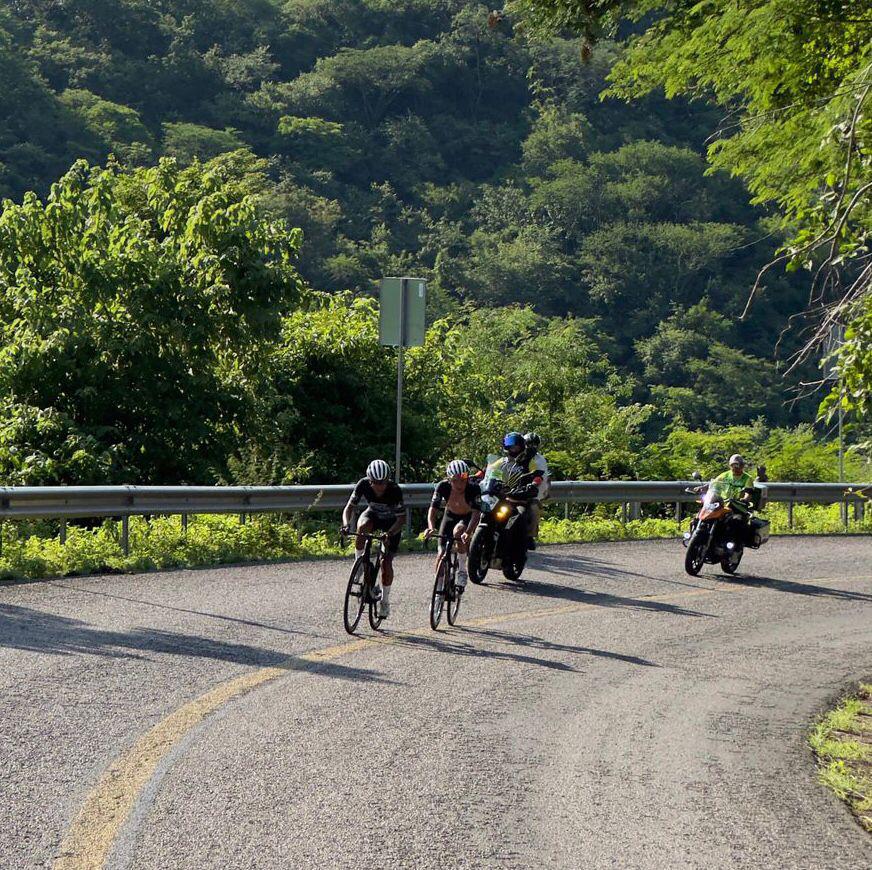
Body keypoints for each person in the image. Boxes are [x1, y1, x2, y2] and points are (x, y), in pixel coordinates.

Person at [341, 459, 405, 618]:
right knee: (362, 527)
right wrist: (345, 524)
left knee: (386, 563)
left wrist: (389, 534)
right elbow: (349, 508)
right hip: (373, 516)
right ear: (370, 481)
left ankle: (385, 601)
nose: (380, 486)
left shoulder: (394, 490)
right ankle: (360, 563)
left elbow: (401, 519)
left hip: (392, 524)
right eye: (376, 483)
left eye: (383, 483)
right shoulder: (362, 484)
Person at [425, 459, 482, 590]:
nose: (460, 484)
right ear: (449, 480)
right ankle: (438, 589)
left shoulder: (473, 488)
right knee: (441, 554)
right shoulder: (442, 486)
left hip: (466, 518)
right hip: (449, 516)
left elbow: (476, 514)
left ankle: (462, 570)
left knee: (458, 532)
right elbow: (432, 509)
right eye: (455, 481)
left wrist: (468, 532)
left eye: (463, 480)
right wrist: (430, 527)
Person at [523, 432, 550, 550]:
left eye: (534, 445)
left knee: (534, 510)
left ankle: (530, 536)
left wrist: (546, 490)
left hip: (531, 492)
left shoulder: (540, 460)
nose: (531, 447)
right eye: (529, 444)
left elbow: (543, 477)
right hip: (512, 488)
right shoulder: (515, 456)